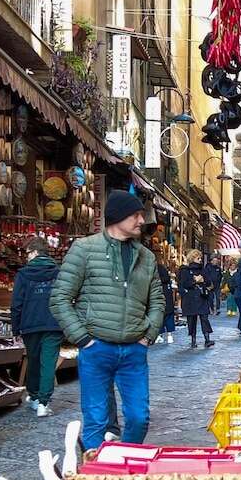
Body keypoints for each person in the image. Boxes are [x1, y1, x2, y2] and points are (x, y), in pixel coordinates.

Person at [50, 190, 165, 449]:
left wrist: (149, 335)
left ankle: (124, 462)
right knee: (96, 420)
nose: (140, 221)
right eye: (135, 215)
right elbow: (59, 297)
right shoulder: (84, 249)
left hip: (134, 349)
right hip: (97, 348)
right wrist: (82, 338)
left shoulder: (146, 257)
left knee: (139, 418)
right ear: (118, 217)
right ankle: (96, 478)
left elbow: (157, 300)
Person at [11, 237, 64, 418]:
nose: (26, 257)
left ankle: (34, 397)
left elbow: (16, 303)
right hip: (53, 323)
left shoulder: (24, 274)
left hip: (30, 323)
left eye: (27, 253)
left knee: (33, 360)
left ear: (34, 252)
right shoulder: (59, 272)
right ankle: (43, 402)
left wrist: (15, 328)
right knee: (48, 362)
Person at [178, 249, 216, 348]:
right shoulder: (185, 270)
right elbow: (184, 284)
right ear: (192, 258)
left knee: (204, 318)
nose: (200, 260)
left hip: (201, 297)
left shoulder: (202, 269)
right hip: (190, 298)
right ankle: (193, 340)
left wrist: (203, 280)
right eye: (198, 258)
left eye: (200, 258)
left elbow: (208, 281)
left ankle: (207, 339)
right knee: (192, 319)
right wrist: (195, 280)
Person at [157, 263, 178, 344]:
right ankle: (170, 336)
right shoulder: (168, 282)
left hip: (161, 303)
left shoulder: (158, 283)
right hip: (169, 303)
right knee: (169, 317)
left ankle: (160, 335)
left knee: (160, 317)